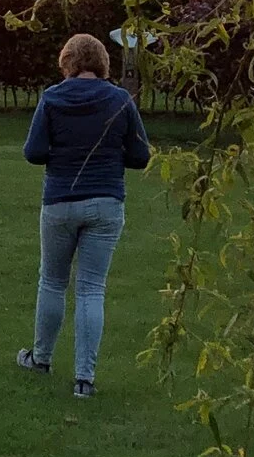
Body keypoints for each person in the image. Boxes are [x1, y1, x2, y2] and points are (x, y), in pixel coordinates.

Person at [16, 32, 152, 399]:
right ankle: (84, 379)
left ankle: (41, 358)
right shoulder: (121, 100)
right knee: (92, 288)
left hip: (60, 199)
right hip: (106, 201)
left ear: (67, 63)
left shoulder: (53, 98)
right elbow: (141, 156)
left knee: (53, 281)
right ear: (102, 63)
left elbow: (34, 152)